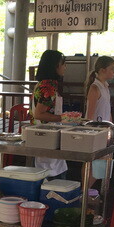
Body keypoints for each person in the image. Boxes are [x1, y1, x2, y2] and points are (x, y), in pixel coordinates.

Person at [31, 49, 68, 178]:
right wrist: (64, 118)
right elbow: (39, 114)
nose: (65, 67)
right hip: (47, 135)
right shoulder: (48, 86)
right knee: (53, 175)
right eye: (63, 64)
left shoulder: (42, 84)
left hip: (43, 135)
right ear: (55, 66)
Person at [85, 55, 114, 187]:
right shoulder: (95, 88)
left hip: (105, 129)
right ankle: (85, 190)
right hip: (96, 130)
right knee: (92, 163)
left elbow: (107, 110)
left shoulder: (105, 87)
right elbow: (90, 115)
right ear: (103, 70)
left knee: (104, 162)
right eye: (112, 69)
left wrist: (111, 127)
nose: (113, 72)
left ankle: (88, 191)